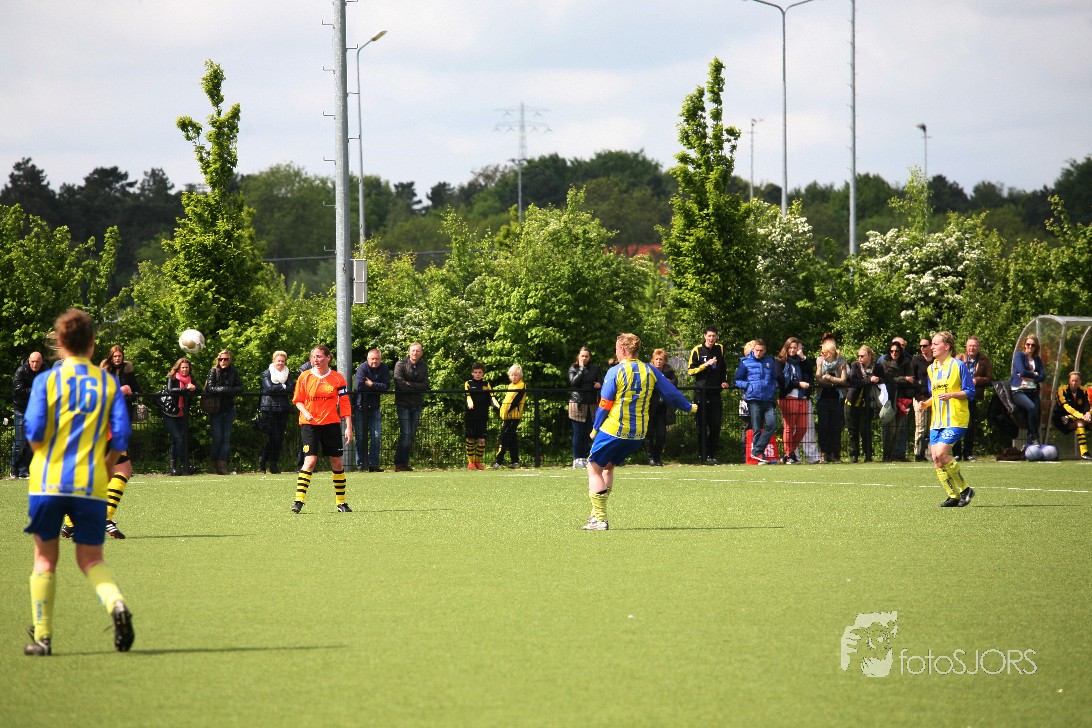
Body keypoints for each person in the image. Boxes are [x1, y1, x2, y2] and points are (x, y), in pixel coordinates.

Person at [22, 308, 134, 656]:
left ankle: (43, 637)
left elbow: (33, 432)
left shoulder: (46, 380)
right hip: (91, 482)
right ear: (92, 344)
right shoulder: (107, 382)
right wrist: (105, 467)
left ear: (59, 342)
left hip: (48, 482)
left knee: (45, 560)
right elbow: (121, 436)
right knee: (91, 559)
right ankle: (116, 604)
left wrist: (49, 459)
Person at [583, 334, 697, 530]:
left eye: (617, 348)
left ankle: (600, 520)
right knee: (607, 467)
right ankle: (596, 515)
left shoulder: (615, 371)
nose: (616, 352)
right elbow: (671, 393)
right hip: (637, 434)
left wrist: (595, 428)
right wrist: (689, 407)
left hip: (614, 429)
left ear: (623, 350)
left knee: (593, 467)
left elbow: (605, 404)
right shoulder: (650, 370)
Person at [290, 345, 353, 514]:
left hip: (331, 424)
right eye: (313, 357)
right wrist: (306, 412)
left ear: (328, 358)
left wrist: (348, 426)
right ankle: (298, 501)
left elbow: (345, 403)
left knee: (337, 462)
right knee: (310, 461)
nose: (316, 360)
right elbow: (297, 400)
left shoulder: (338, 378)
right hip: (309, 424)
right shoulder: (304, 377)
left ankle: (341, 502)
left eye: (319, 356)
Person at [917, 331, 976, 508]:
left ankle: (966, 490)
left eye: (935, 344)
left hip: (956, 419)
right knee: (936, 458)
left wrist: (952, 394)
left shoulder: (958, 366)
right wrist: (925, 404)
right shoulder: (931, 369)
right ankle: (953, 496)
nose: (932, 347)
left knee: (941, 453)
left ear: (947, 346)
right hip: (937, 421)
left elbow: (970, 392)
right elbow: (935, 395)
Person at [734, 339, 778, 465]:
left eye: (761, 351)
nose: (758, 353)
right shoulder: (745, 362)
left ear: (765, 351)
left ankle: (757, 450)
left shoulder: (770, 361)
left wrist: (773, 386)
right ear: (753, 349)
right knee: (757, 428)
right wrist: (749, 386)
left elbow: (774, 378)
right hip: (753, 398)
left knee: (772, 424)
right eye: (756, 350)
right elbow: (737, 380)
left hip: (768, 398)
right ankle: (759, 453)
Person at [688, 327, 728, 464]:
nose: (711, 338)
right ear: (704, 336)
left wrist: (724, 381)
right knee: (702, 425)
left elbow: (723, 367)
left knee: (715, 425)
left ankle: (712, 455)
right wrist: (706, 365)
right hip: (701, 393)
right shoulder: (697, 350)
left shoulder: (720, 348)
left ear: (717, 337)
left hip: (715, 393)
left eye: (714, 336)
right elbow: (690, 371)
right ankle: (703, 455)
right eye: (709, 336)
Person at [204, 349, 244, 475]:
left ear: (229, 360)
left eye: (225, 359)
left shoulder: (234, 371)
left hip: (229, 408)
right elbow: (210, 388)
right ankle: (214, 463)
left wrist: (227, 390)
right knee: (217, 438)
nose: (223, 361)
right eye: (221, 359)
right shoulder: (213, 371)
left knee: (226, 438)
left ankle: (222, 466)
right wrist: (226, 390)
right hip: (216, 409)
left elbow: (240, 387)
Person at [954, 336, 994, 461]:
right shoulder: (959, 358)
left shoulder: (984, 360)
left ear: (979, 347)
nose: (972, 348)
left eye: (975, 346)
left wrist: (977, 380)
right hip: (958, 396)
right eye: (970, 345)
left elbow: (989, 378)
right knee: (956, 425)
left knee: (970, 426)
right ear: (966, 347)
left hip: (972, 397)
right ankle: (956, 453)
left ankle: (968, 453)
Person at [774, 337, 813, 464]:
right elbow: (781, 380)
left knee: (802, 428)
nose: (792, 350)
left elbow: (810, 372)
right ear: (786, 348)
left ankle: (789, 453)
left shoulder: (800, 361)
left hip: (802, 397)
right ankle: (789, 454)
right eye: (790, 348)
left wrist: (803, 357)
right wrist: (798, 384)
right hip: (788, 397)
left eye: (795, 348)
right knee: (789, 428)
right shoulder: (780, 361)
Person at [393, 342, 428, 472]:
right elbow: (399, 383)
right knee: (406, 434)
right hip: (403, 404)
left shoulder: (423, 366)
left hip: (417, 404)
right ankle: (399, 463)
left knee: (411, 434)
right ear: (409, 352)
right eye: (413, 350)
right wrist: (416, 386)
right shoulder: (400, 364)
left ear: (421, 353)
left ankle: (404, 463)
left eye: (418, 351)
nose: (415, 353)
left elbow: (425, 385)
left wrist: (410, 384)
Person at [354, 348, 390, 472]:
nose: (374, 361)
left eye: (377, 359)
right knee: (360, 437)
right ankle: (361, 464)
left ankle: (373, 464)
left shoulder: (384, 368)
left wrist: (372, 384)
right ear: (368, 359)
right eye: (372, 359)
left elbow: (387, 386)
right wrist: (377, 388)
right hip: (360, 407)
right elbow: (358, 386)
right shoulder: (362, 368)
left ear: (381, 359)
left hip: (374, 407)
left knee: (376, 436)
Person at [845, 346, 883, 463]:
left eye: (862, 356)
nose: (859, 358)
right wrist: (869, 380)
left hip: (867, 404)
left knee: (865, 430)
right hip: (852, 403)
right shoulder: (855, 366)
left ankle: (868, 455)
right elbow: (853, 381)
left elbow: (885, 379)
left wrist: (878, 380)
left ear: (870, 356)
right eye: (859, 356)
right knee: (853, 430)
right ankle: (854, 455)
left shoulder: (877, 367)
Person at [10, 351, 45, 479]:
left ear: (42, 362)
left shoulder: (45, 370)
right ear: (29, 361)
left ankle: (24, 470)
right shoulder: (21, 371)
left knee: (32, 441)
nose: (35, 364)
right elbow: (18, 389)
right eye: (33, 361)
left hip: (36, 409)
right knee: (20, 441)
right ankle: (14, 469)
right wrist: (37, 390)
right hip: (21, 409)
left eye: (37, 362)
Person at [259, 351, 294, 474]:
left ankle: (271, 463)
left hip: (283, 408)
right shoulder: (267, 373)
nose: (280, 363)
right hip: (269, 408)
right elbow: (269, 389)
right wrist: (283, 387)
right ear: (274, 361)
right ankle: (265, 461)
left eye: (283, 361)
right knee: (274, 437)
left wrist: (280, 388)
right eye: (278, 360)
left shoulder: (287, 373)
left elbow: (291, 388)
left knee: (279, 438)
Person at [814, 339, 848, 463]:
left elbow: (843, 380)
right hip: (823, 399)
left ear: (831, 353)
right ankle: (823, 453)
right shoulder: (820, 362)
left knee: (836, 427)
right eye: (822, 352)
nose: (822, 354)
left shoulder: (841, 362)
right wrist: (833, 382)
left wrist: (829, 378)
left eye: (824, 352)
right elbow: (818, 378)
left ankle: (834, 454)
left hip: (837, 399)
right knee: (823, 427)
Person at [879, 341, 914, 461]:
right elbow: (887, 379)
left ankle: (894, 454)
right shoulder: (884, 362)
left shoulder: (906, 362)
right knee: (890, 427)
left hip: (903, 397)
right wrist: (904, 378)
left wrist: (900, 380)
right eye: (892, 351)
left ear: (900, 351)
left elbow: (911, 379)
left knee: (898, 428)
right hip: (889, 397)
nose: (894, 353)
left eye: (897, 351)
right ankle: (886, 455)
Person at [567, 347, 601, 468]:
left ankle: (586, 458)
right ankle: (577, 458)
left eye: (586, 356)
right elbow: (573, 383)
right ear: (578, 356)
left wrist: (599, 384)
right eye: (582, 356)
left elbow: (601, 381)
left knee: (588, 433)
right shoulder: (573, 368)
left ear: (589, 357)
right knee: (578, 433)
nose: (584, 358)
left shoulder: (595, 368)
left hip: (591, 405)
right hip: (577, 404)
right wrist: (581, 369)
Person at [1010, 334, 1046, 445]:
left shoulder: (1037, 359)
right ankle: (1035, 437)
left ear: (1036, 347)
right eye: (1028, 344)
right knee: (1031, 407)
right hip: (1019, 391)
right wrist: (1035, 374)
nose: (1030, 347)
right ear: (1024, 345)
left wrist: (1030, 377)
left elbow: (1043, 377)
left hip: (1033, 391)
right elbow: (1022, 371)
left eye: (1033, 345)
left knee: (1036, 414)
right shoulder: (1019, 355)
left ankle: (1030, 444)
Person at [164, 357, 197, 476]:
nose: (184, 369)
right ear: (178, 368)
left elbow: (197, 390)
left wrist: (193, 388)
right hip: (170, 413)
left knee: (177, 440)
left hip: (183, 414)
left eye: (186, 367)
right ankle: (185, 464)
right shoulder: (172, 377)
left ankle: (174, 467)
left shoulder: (191, 379)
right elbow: (170, 390)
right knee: (179, 439)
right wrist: (185, 389)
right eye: (182, 367)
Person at [645, 348, 678, 466]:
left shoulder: (669, 372)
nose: (658, 361)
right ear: (653, 360)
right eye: (656, 359)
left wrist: (665, 381)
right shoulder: (648, 371)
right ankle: (651, 458)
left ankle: (658, 457)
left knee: (661, 434)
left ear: (665, 361)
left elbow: (674, 384)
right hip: (649, 407)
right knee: (649, 433)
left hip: (663, 408)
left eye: (661, 359)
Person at [464, 362, 498, 470]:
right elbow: (467, 395)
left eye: (479, 372)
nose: (477, 374)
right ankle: (471, 462)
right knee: (470, 439)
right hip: (471, 416)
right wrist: (469, 402)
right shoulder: (468, 383)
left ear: (483, 373)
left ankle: (478, 461)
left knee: (482, 440)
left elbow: (491, 395)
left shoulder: (486, 384)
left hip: (483, 415)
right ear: (472, 373)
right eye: (475, 372)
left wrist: (495, 403)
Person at [493, 364, 526, 469]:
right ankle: (515, 461)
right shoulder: (511, 386)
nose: (513, 377)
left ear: (520, 376)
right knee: (512, 439)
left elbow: (515, 401)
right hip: (507, 417)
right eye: (512, 375)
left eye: (516, 375)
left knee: (503, 438)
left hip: (514, 416)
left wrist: (507, 410)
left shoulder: (521, 385)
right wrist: (502, 410)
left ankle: (498, 461)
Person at [1053, 371, 1091, 460]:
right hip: (1061, 418)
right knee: (1080, 423)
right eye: (1072, 380)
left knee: (1085, 422)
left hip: (1077, 418)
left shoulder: (1084, 390)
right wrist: (1081, 416)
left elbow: (1087, 404)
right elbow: (1066, 407)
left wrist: (1088, 413)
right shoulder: (1062, 390)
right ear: (1069, 381)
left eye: (1076, 381)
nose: (1074, 383)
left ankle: (1085, 453)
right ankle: (1084, 452)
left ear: (1080, 381)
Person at [910, 337, 934, 462]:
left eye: (925, 346)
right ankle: (918, 453)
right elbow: (912, 380)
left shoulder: (936, 360)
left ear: (930, 346)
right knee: (921, 427)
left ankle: (929, 453)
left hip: (934, 398)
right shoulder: (916, 360)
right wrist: (917, 397)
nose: (922, 348)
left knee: (932, 427)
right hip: (920, 398)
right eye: (921, 346)